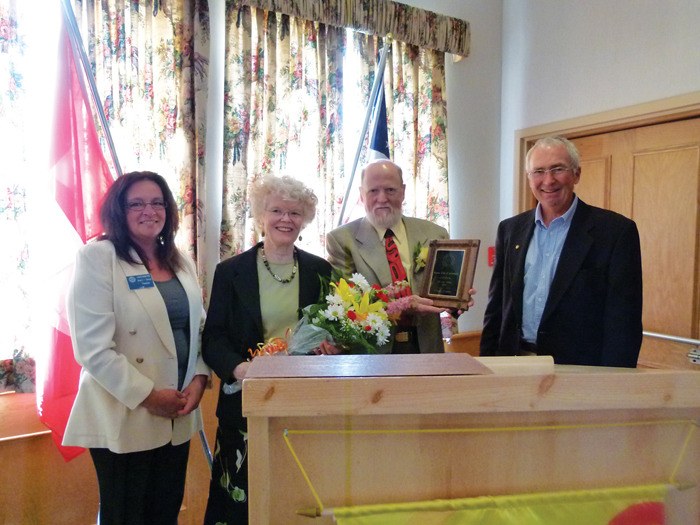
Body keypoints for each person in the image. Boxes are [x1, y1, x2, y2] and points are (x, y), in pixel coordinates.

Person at [63, 171, 210, 524]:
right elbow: (92, 349)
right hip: (126, 411)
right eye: (137, 203)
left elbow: (201, 329)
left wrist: (200, 380)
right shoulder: (99, 257)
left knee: (165, 513)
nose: (149, 210)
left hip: (179, 410)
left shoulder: (179, 259)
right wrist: (149, 396)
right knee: (126, 515)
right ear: (119, 210)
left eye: (157, 202)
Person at [202, 175, 339, 524]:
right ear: (261, 215)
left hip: (304, 402)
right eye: (276, 210)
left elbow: (335, 330)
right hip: (246, 400)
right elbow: (213, 338)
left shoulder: (320, 270)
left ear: (304, 219)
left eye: (294, 212)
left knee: (298, 495)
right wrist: (241, 369)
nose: (285, 219)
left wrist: (330, 347)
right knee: (241, 500)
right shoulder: (230, 271)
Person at [480, 136, 643, 367]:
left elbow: (624, 321)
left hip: (580, 370)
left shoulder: (615, 232)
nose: (548, 180)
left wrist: (613, 384)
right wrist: (486, 366)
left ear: (576, 174)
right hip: (513, 364)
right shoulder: (510, 230)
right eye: (538, 171)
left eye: (558, 169)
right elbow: (496, 307)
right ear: (529, 178)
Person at [326, 159, 454, 354]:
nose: (382, 198)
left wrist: (458, 299)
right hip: (373, 353)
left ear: (402, 192)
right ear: (362, 195)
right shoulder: (342, 240)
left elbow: (446, 290)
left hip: (427, 348)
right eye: (373, 191)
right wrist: (401, 305)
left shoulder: (435, 233)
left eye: (390, 190)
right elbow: (347, 308)